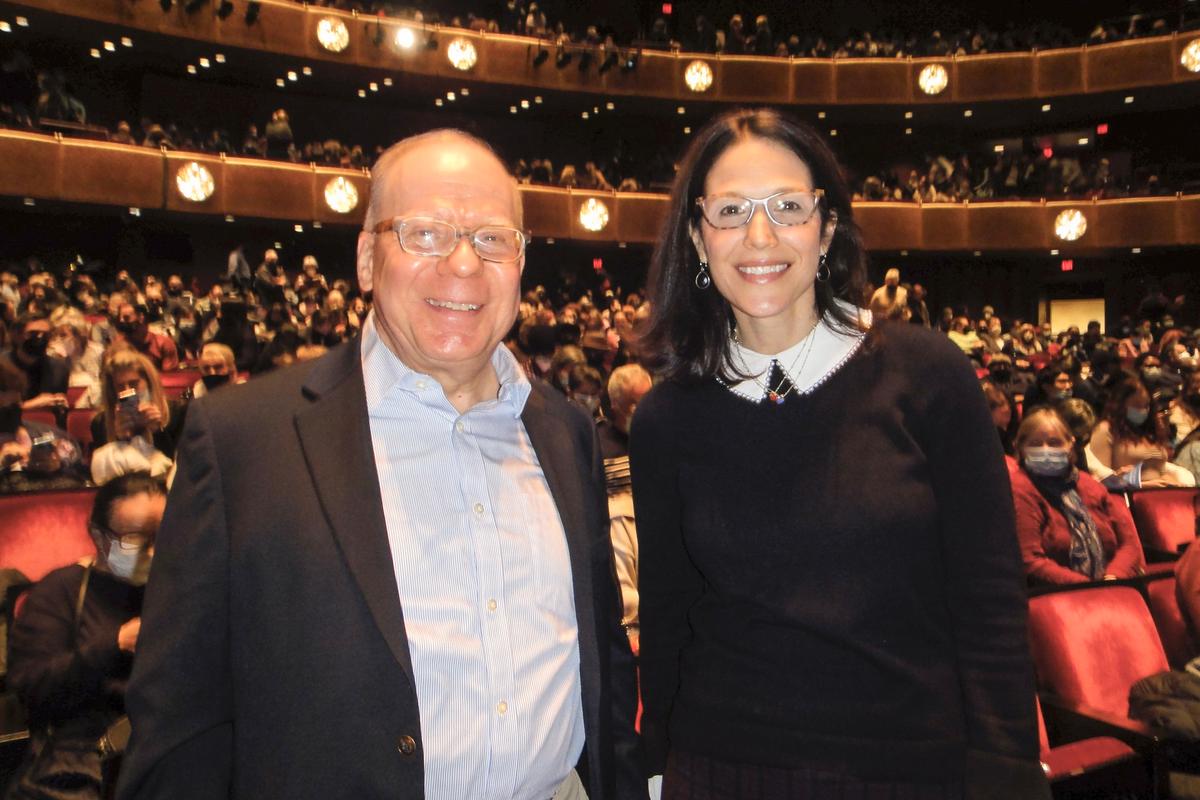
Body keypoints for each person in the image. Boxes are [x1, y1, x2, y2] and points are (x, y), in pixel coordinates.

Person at [115, 129, 642, 800]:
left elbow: (604, 671)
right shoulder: (242, 441)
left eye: (491, 238)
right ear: (366, 259)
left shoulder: (567, 432)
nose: (462, 264)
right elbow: (179, 731)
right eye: (424, 234)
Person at [631, 108, 1047, 798]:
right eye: (730, 210)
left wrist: (1008, 766)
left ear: (826, 230)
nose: (758, 236)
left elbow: (989, 599)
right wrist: (655, 764)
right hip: (720, 768)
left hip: (909, 767)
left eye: (788, 207)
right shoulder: (667, 416)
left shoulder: (929, 374)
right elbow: (670, 611)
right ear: (699, 241)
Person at [6, 472, 164, 799]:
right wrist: (115, 644)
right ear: (99, 536)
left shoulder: (176, 589)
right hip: (82, 757)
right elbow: (31, 687)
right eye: (137, 540)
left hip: (163, 749)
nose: (153, 553)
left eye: (163, 537)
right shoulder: (61, 592)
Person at [1010, 407, 1145, 585]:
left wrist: (1113, 577)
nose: (1046, 450)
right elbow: (1029, 560)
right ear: (1021, 448)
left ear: (1070, 444)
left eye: (1054, 442)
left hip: (1110, 586)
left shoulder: (1090, 485)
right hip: (1055, 594)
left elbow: (1129, 544)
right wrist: (1089, 587)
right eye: (1035, 444)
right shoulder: (1020, 488)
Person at [89, 350, 176, 485]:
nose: (127, 391)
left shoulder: (177, 411)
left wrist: (157, 431)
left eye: (134, 384)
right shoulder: (100, 422)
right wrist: (120, 438)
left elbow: (179, 463)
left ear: (149, 382)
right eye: (120, 386)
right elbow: (104, 473)